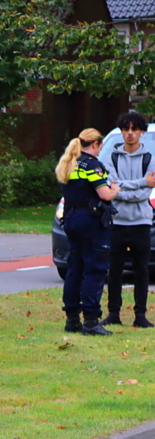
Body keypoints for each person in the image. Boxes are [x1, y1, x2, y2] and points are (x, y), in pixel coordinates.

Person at [55, 128, 120, 335]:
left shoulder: (69, 163)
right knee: (95, 269)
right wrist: (115, 189)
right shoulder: (92, 165)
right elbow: (105, 194)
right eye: (100, 146)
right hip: (91, 221)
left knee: (75, 267)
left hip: (72, 219)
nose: (101, 150)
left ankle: (72, 318)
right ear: (95, 144)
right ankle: (91, 320)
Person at [102, 111, 155, 328]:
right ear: (122, 132)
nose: (130, 133)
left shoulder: (150, 158)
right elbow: (109, 185)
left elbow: (145, 193)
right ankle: (113, 313)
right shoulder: (111, 157)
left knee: (141, 271)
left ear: (142, 132)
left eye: (134, 129)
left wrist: (121, 188)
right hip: (117, 223)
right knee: (114, 272)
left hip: (141, 223)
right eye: (126, 129)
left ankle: (140, 315)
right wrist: (142, 182)